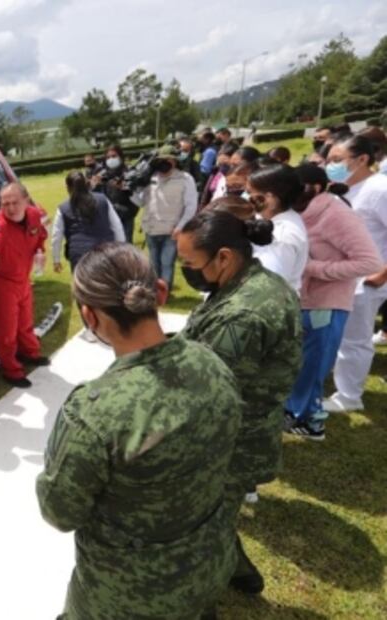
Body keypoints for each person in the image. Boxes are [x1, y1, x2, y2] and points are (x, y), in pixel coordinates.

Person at [36, 242, 242, 620]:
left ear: (89, 316)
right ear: (159, 293)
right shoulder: (212, 363)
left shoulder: (95, 413)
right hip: (208, 566)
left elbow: (59, 512)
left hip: (125, 598)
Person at [178, 211, 302, 596]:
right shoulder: (255, 282)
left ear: (224, 257)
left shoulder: (243, 315)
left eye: (190, 264)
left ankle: (205, 597)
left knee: (205, 525)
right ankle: (239, 568)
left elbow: (206, 388)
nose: (186, 271)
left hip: (230, 442)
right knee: (219, 515)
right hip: (244, 429)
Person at [285, 165, 382, 440]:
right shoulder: (300, 212)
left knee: (313, 365)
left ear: (314, 187)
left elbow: (369, 261)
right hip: (303, 298)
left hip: (326, 302)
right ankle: (295, 413)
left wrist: (313, 268)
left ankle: (311, 423)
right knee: (300, 363)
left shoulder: (336, 214)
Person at [324, 135, 387, 412]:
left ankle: (349, 396)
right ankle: (338, 381)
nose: (331, 166)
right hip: (342, 274)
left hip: (368, 279)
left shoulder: (380, 189)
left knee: (355, 339)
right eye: (329, 160)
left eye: (337, 160)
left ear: (362, 159)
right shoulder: (343, 188)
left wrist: (382, 276)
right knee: (336, 335)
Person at [0, 182, 51, 388]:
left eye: (15, 203)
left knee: (25, 320)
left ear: (26, 200)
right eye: (5, 204)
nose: (10, 208)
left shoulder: (35, 215)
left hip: (23, 279)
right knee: (6, 329)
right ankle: (11, 370)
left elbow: (40, 235)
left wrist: (39, 250)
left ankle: (29, 352)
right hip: (3, 283)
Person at [132, 145, 198, 295]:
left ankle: (164, 293)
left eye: (168, 159)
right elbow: (141, 202)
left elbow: (191, 206)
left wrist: (181, 227)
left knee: (167, 263)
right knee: (154, 264)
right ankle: (155, 292)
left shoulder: (185, 179)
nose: (165, 162)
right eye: (161, 159)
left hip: (172, 230)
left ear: (175, 161)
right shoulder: (150, 178)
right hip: (151, 228)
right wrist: (131, 191)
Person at [247, 164, 310, 294]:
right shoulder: (280, 220)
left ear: (270, 198)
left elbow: (270, 283)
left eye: (250, 193)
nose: (247, 198)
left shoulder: (282, 235)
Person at [51, 171, 125, 272]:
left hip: (79, 255)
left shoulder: (63, 208)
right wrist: (121, 251)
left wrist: (56, 259)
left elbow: (56, 236)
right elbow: (117, 226)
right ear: (87, 184)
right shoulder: (103, 199)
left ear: (67, 187)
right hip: (106, 251)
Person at [91, 143, 140, 242]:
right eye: (108, 157)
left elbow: (137, 195)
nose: (111, 159)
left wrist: (124, 187)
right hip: (108, 217)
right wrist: (95, 185)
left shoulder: (129, 172)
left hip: (126, 215)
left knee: (126, 246)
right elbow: (96, 197)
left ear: (120, 157)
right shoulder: (103, 174)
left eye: (114, 156)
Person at [200, 143, 240, 209]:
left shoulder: (238, 176)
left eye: (227, 156)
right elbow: (206, 194)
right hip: (211, 209)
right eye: (219, 154)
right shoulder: (216, 172)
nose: (222, 159)